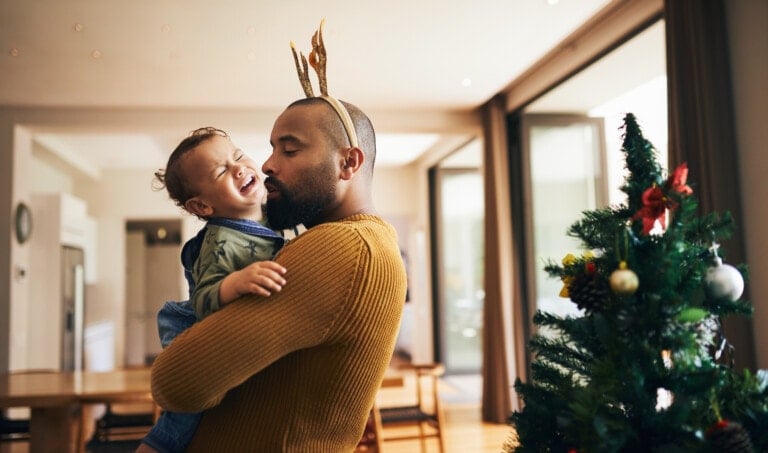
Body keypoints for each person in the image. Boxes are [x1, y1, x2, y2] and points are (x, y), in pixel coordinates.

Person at [148, 95, 408, 451]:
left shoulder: (341, 247)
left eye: (289, 151)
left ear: (348, 163)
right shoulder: (358, 241)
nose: (268, 165)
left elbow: (175, 383)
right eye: (271, 149)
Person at [140, 127, 288, 453]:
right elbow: (204, 300)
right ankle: (155, 447)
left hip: (248, 336)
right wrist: (236, 282)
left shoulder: (271, 216)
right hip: (197, 330)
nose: (238, 168)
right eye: (221, 171)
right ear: (202, 206)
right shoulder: (221, 241)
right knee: (185, 416)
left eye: (237, 156)